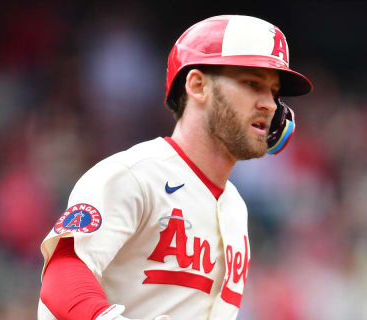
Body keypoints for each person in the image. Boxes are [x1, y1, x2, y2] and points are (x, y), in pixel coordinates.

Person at [37, 15, 312, 320]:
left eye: (274, 92)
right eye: (252, 84)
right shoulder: (135, 175)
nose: (271, 105)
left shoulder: (235, 208)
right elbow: (62, 272)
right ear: (197, 85)